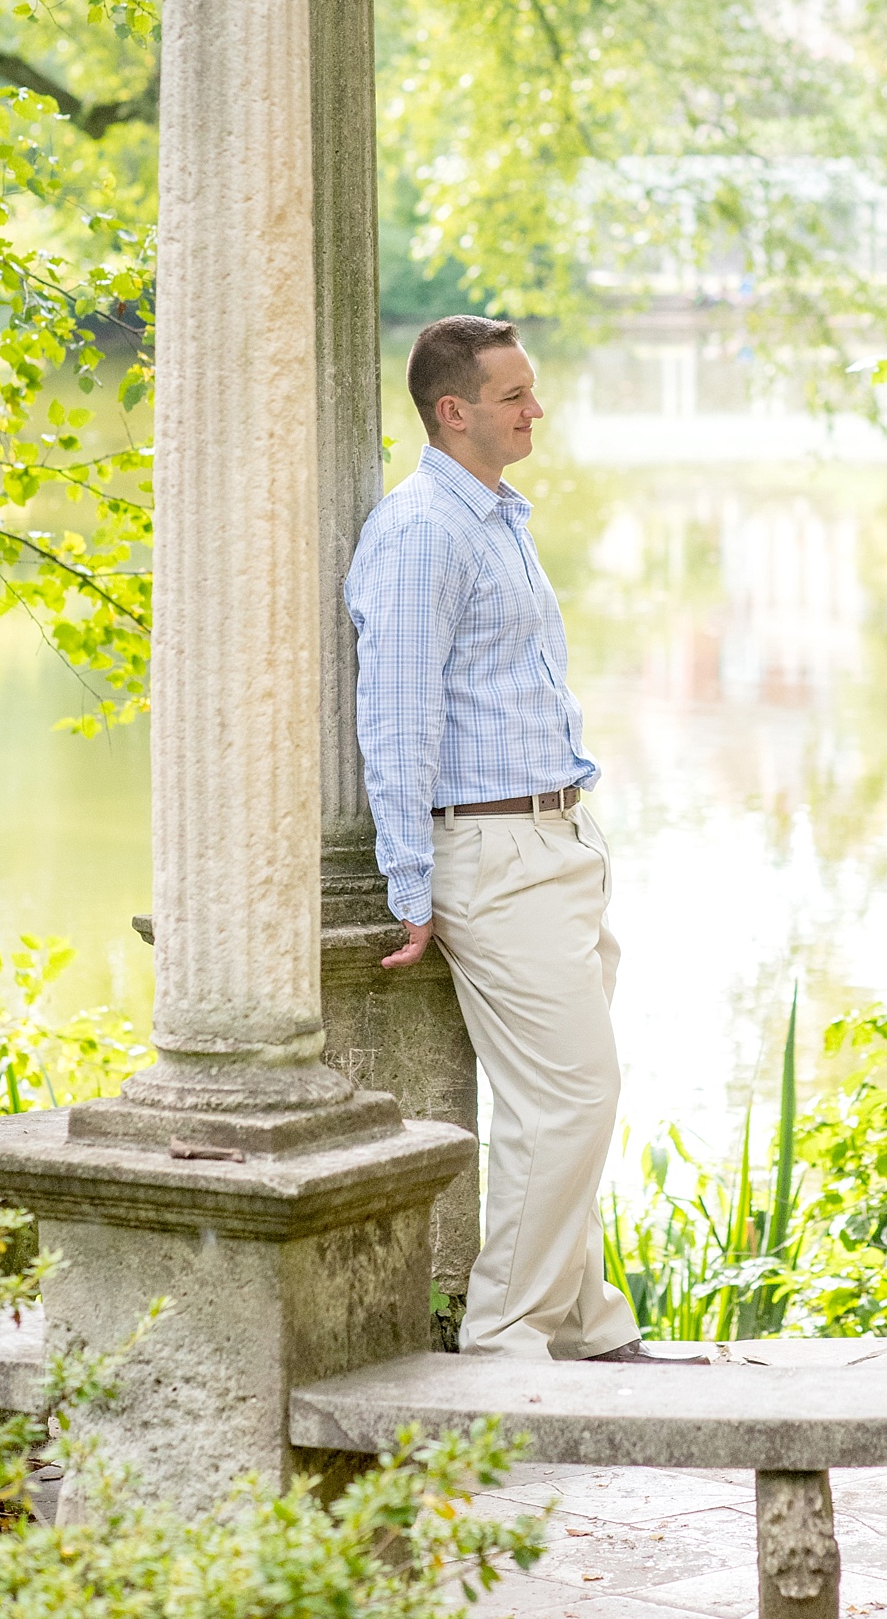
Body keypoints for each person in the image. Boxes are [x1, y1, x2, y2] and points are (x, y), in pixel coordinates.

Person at [344, 314, 653, 1363]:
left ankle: (578, 1324)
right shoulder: (423, 526)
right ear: (453, 410)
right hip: (490, 851)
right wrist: (409, 877)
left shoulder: (494, 515)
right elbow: (396, 713)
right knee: (573, 1092)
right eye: (514, 394)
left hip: (556, 839)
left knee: (555, 1098)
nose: (535, 408)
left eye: (531, 389)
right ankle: (507, 1339)